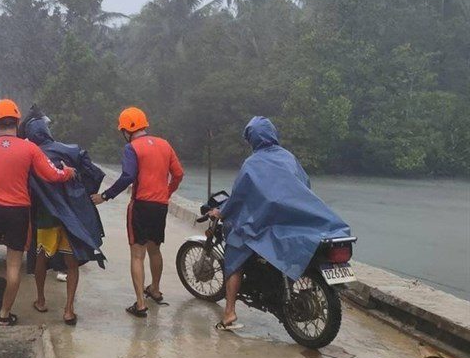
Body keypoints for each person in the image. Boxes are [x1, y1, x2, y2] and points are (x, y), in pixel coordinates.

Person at [207, 116, 351, 331]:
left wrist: (222, 212)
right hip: (294, 219)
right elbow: (305, 185)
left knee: (234, 255)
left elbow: (238, 197)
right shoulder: (289, 158)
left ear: (252, 139)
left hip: (264, 223)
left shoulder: (251, 164)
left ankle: (229, 312)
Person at [0, 99, 77, 326]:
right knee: (14, 265)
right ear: (17, 122)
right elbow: (52, 175)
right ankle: (5, 315)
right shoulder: (29, 148)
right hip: (19, 212)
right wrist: (67, 172)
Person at [92, 107, 184, 318]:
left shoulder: (132, 148)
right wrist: (166, 192)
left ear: (126, 130)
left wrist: (105, 196)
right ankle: (156, 289)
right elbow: (178, 174)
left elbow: (127, 177)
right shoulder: (164, 144)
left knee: (137, 254)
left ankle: (141, 304)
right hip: (160, 206)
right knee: (155, 249)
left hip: (141, 205)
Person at [21, 106, 106, 325]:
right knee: (71, 262)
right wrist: (82, 194)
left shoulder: (31, 156)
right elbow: (94, 173)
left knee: (41, 257)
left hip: (45, 217)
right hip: (71, 218)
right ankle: (68, 309)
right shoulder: (71, 150)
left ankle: (40, 300)